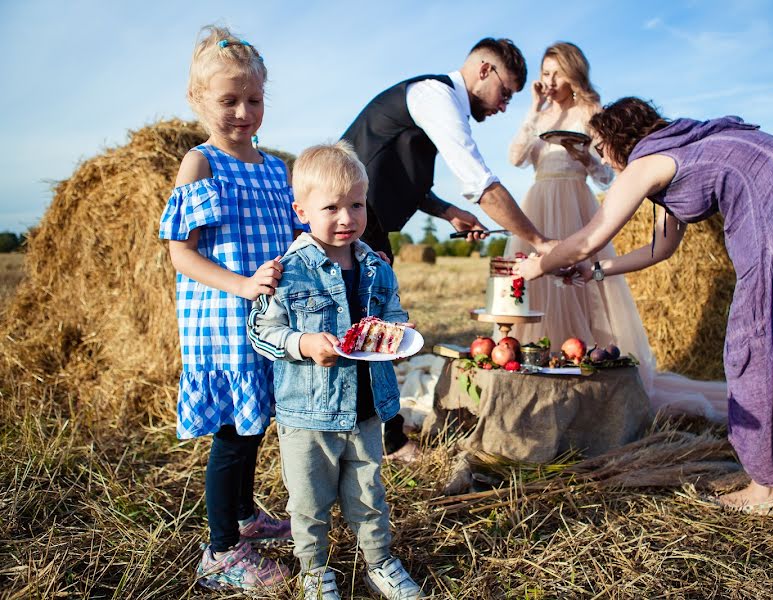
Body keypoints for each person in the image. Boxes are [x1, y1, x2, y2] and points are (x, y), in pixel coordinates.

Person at [518, 97, 773, 517]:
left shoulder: (646, 161)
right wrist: (598, 271)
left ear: (615, 137)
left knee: (757, 346)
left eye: (598, 145)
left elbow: (588, 237)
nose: (599, 155)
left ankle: (765, 491)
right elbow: (661, 248)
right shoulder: (693, 144)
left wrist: (538, 264)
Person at [341, 37, 552, 460]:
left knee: (370, 331)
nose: (504, 105)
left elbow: (403, 175)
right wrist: (541, 242)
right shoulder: (436, 95)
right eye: (505, 93)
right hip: (351, 225)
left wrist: (448, 211)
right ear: (484, 70)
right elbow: (481, 183)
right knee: (368, 334)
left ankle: (379, 432)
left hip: (367, 224)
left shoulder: (436, 102)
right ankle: (390, 440)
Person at [505, 43, 727, 420]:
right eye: (545, 73)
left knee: (582, 288)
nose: (549, 80)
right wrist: (533, 110)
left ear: (573, 74)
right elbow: (515, 158)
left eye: (556, 73)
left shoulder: (591, 111)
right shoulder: (541, 114)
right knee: (529, 290)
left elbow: (609, 173)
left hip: (575, 203)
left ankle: (584, 372)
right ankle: (528, 370)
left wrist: (583, 157)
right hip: (539, 203)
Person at [248, 142, 423, 599]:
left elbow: (393, 313)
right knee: (309, 503)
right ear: (301, 211)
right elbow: (262, 332)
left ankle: (379, 562)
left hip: (366, 408)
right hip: (308, 414)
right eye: (332, 207)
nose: (347, 218)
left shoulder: (376, 268)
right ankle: (314, 570)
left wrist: (401, 335)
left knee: (368, 495)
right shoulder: (286, 272)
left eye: (357, 205)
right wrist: (304, 343)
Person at [158, 26, 296, 591]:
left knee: (253, 424)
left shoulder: (271, 166)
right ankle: (220, 553)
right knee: (233, 439)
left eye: (254, 99)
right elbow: (181, 254)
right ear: (197, 101)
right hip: (225, 323)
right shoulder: (202, 164)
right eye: (229, 100)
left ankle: (244, 517)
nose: (243, 111)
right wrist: (241, 286)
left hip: (268, 322)